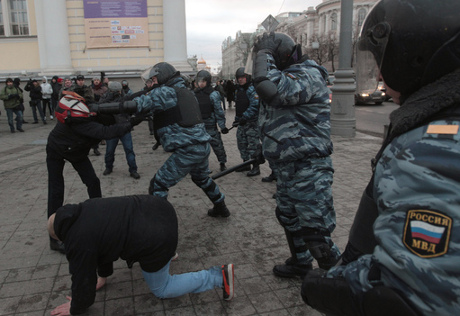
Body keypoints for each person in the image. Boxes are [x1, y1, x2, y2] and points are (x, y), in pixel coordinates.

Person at [301, 1, 460, 315]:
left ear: (411, 58)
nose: (378, 74)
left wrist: (330, 286)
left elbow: (412, 293)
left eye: (380, 61)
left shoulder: (424, 152)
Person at [48, 195, 234, 315]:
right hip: (160, 208)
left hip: (156, 237)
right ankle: (169, 253)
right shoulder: (85, 207)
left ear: (62, 237)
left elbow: (82, 277)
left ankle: (218, 276)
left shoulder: (78, 241)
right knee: (155, 238)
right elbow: (102, 246)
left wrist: (76, 308)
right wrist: (103, 277)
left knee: (162, 289)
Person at [251, 32, 340, 278]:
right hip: (286, 167)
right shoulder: (286, 75)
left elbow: (272, 90)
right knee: (289, 217)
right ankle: (301, 263)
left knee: (316, 233)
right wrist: (264, 147)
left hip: (308, 167)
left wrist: (264, 54)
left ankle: (341, 284)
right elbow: (271, 117)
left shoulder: (308, 75)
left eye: (269, 56)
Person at [46, 94, 144, 253]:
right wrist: (132, 122)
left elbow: (119, 110)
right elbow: (107, 132)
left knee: (93, 182)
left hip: (77, 152)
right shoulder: (84, 121)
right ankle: (54, 238)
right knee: (56, 190)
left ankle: (98, 214)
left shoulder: (96, 110)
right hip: (56, 149)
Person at [134, 62, 231, 217]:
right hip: (201, 146)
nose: (153, 83)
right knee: (202, 179)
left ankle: (161, 223)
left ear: (162, 76)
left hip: (188, 149)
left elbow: (137, 105)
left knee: (158, 185)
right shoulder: (184, 91)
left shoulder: (165, 91)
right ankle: (221, 207)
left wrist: (103, 109)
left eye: (154, 79)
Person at [101, 81, 140, 179]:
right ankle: (108, 167)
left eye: (117, 91)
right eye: (113, 91)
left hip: (124, 127)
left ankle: (133, 169)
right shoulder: (105, 97)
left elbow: (132, 108)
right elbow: (100, 108)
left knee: (129, 150)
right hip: (112, 128)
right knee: (109, 151)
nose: (116, 92)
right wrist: (109, 99)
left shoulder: (125, 97)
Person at [194, 70, 229, 171]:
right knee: (200, 148)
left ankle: (222, 162)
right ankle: (202, 166)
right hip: (199, 126)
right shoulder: (194, 94)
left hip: (211, 126)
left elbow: (219, 111)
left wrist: (222, 126)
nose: (201, 83)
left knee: (217, 145)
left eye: (203, 81)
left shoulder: (213, 94)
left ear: (208, 81)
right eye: (199, 81)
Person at [232, 67, 261, 176]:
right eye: (239, 78)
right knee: (242, 143)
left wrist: (244, 117)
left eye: (243, 77)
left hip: (251, 124)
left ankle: (256, 167)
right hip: (242, 123)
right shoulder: (238, 90)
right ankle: (246, 163)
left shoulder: (252, 90)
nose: (240, 80)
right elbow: (239, 106)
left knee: (253, 146)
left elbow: (254, 106)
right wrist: (236, 120)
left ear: (247, 77)